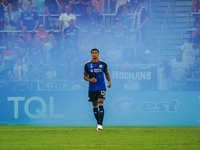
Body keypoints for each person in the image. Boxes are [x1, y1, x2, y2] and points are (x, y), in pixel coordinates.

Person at [83, 48, 111, 130]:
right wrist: (90, 79)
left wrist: (109, 81)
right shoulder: (87, 64)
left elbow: (106, 73)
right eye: (93, 53)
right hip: (92, 88)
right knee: (94, 105)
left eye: (96, 53)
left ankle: (100, 125)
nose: (94, 54)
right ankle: (98, 123)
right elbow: (84, 76)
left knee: (100, 102)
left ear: (98, 54)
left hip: (101, 87)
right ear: (91, 54)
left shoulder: (103, 64)